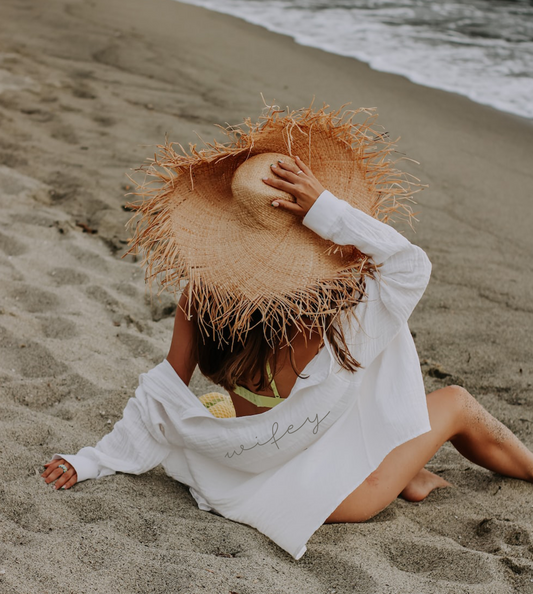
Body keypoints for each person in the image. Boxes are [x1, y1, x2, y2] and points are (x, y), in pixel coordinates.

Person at [42, 106, 533, 560]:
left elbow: (162, 393)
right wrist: (327, 209)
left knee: (283, 403)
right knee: (457, 402)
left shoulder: (203, 298)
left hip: (250, 477)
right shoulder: (344, 311)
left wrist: (92, 461)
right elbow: (409, 265)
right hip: (342, 494)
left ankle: (412, 475)